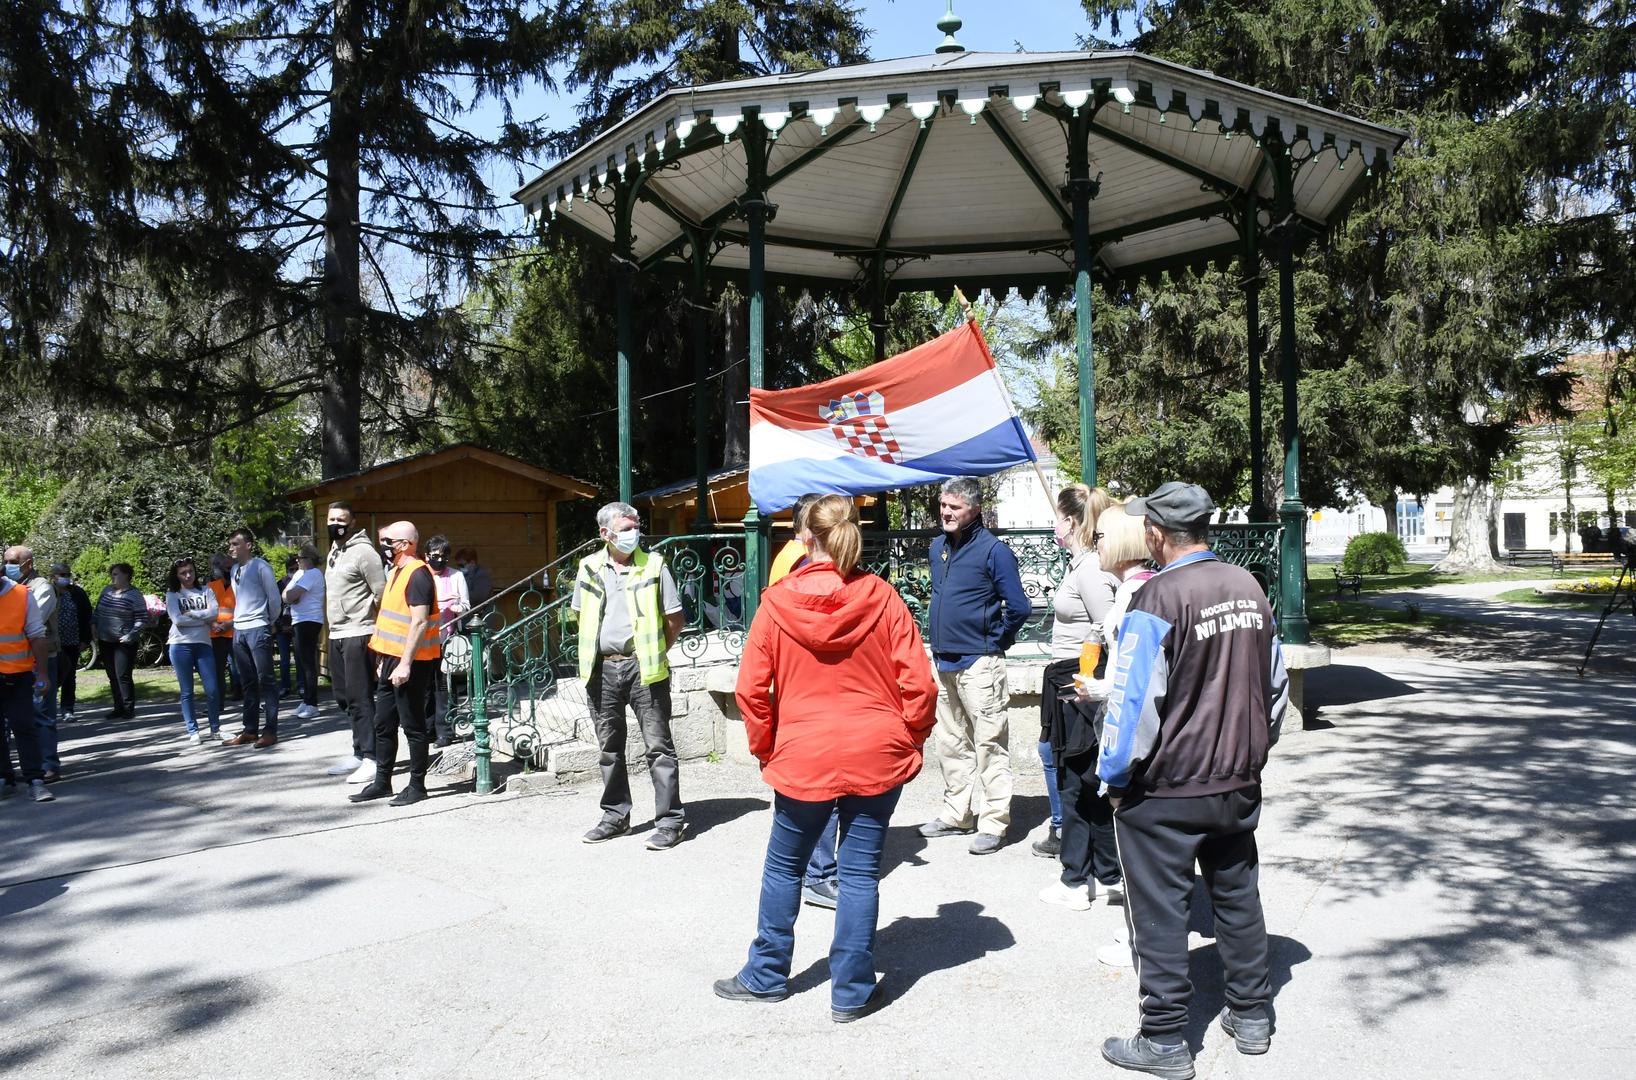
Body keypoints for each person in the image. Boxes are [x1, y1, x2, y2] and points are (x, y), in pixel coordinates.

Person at [1091, 482, 1289, 1078]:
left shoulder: (1157, 599)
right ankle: (1252, 1015)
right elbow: (1273, 686)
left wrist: (1114, 777)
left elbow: (1133, 706)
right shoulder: (1248, 586)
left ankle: (1164, 1039)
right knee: (1236, 896)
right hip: (1235, 778)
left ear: (1154, 533)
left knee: (1160, 911)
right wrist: (1252, 752)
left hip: (1167, 788)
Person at [715, 495, 937, 1021]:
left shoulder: (776, 602)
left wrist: (767, 746)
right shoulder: (882, 596)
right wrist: (910, 737)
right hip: (876, 748)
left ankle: (767, 974)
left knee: (785, 867)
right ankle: (852, 990)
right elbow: (919, 685)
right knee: (859, 874)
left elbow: (751, 690)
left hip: (804, 751)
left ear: (802, 536)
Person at [917, 476, 1031, 854]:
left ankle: (995, 822)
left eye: (955, 507)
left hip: (980, 664)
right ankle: (957, 814)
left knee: (989, 743)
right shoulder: (938, 547)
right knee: (950, 742)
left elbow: (1018, 607)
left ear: (975, 510)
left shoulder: (994, 551)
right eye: (944, 505)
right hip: (944, 660)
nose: (946, 513)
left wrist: (995, 641)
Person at [571, 502, 687, 850]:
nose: (632, 533)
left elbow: (674, 618)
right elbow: (581, 615)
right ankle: (615, 817)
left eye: (635, 526)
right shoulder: (588, 567)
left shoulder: (654, 566)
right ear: (604, 533)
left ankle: (670, 822)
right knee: (609, 748)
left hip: (644, 668)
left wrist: (654, 651)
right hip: (601, 669)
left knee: (658, 747)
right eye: (624, 528)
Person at [1037, 487, 1122, 910]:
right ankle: (1103, 874)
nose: (1056, 525)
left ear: (1070, 521)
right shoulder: (1083, 565)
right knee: (1085, 782)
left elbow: (1110, 625)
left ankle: (1076, 879)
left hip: (1079, 680)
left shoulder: (1089, 568)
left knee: (1075, 781)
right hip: (1071, 677)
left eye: (1058, 517)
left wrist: (1088, 675)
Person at [349, 521, 441, 806]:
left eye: (388, 541)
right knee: (383, 722)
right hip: (390, 660)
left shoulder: (417, 574)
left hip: (411, 663)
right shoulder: (396, 572)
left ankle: (417, 786)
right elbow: (390, 619)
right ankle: (382, 781)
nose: (384, 545)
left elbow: (419, 621)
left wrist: (404, 664)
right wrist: (383, 659)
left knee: (413, 725)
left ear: (406, 543)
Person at [323, 502, 386, 779]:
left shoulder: (364, 552)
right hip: (336, 632)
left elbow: (381, 592)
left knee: (361, 698)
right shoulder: (334, 551)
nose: (336, 523)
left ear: (353, 522)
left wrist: (368, 620)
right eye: (332, 518)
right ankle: (359, 752)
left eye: (341, 519)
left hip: (358, 632)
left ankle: (372, 759)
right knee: (343, 697)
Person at [221, 528, 281, 748]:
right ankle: (250, 730)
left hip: (258, 628)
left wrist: (267, 621)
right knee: (247, 682)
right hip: (240, 630)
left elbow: (274, 599)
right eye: (230, 544)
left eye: (235, 544)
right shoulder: (236, 569)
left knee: (267, 681)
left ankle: (270, 731)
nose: (231, 548)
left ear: (248, 545)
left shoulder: (261, 566)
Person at [7, 546, 62, 780]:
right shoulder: (12, 589)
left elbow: (30, 622)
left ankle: (48, 764)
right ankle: (29, 766)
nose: (7, 565)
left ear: (28, 563)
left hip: (42, 661)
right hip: (15, 663)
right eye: (5, 560)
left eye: (13, 561)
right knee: (17, 717)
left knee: (41, 714)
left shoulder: (43, 588)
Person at [0, 568, 54, 801]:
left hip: (17, 676)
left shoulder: (21, 594)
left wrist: (42, 673)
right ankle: (5, 778)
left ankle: (35, 779)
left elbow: (37, 636)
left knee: (23, 726)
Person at [164, 557, 222, 745]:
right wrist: (204, 618)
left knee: (212, 690)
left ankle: (215, 729)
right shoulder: (173, 594)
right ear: (177, 575)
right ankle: (193, 731)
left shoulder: (206, 590)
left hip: (203, 644)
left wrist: (194, 614)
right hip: (180, 645)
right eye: (183, 573)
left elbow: (215, 613)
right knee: (187, 691)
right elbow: (178, 620)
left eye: (191, 571)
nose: (188, 575)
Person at [422, 535, 469, 747]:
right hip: (422, 641)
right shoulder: (421, 575)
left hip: (446, 639)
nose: (439, 560)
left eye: (443, 556)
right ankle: (427, 728)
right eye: (434, 556)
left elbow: (466, 606)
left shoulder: (456, 576)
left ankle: (445, 731)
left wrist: (455, 607)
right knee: (424, 686)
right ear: (426, 556)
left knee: (443, 687)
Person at [93, 562, 147, 719]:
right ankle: (118, 707)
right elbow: (97, 611)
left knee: (122, 675)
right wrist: (93, 625)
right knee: (111, 675)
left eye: (116, 574)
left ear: (126, 576)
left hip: (124, 642)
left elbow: (142, 618)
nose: (112, 577)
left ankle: (128, 707)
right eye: (112, 574)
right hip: (105, 640)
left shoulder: (134, 594)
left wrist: (130, 634)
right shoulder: (107, 590)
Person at [282, 543, 326, 721]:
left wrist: (292, 597)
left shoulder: (313, 574)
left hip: (310, 620)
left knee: (308, 662)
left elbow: (291, 596)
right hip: (298, 620)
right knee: (300, 660)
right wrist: (292, 597)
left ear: (308, 559)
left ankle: (312, 702)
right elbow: (285, 594)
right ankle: (306, 700)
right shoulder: (300, 574)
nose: (297, 561)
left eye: (299, 558)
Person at [51, 563, 91, 723]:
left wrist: (86, 639)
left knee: (69, 676)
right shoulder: (48, 591)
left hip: (72, 641)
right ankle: (48, 707)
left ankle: (67, 709)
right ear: (53, 576)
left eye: (67, 574)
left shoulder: (77, 593)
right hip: (53, 642)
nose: (65, 577)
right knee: (52, 675)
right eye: (61, 574)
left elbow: (87, 615)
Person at [208, 555, 240, 701]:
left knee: (238, 667)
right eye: (224, 567)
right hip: (216, 634)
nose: (226, 570)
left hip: (234, 632)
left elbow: (242, 609)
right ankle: (218, 701)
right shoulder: (211, 586)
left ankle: (240, 694)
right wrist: (213, 624)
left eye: (229, 567)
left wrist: (229, 623)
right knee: (217, 670)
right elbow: (205, 610)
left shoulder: (238, 586)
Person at [274, 555, 297, 697]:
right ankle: (285, 686)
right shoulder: (280, 584)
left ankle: (302, 686)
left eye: (296, 569)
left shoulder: (301, 582)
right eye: (291, 569)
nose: (293, 571)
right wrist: (278, 625)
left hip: (297, 624)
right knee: (284, 659)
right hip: (282, 626)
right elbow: (274, 606)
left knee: (300, 657)